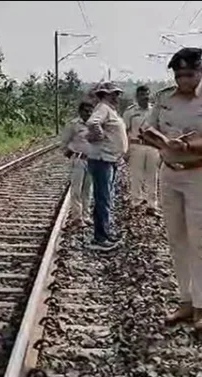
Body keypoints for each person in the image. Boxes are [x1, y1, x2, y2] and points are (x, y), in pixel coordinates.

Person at [143, 47, 202, 332]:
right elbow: (147, 129)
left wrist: (187, 146)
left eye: (190, 74)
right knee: (177, 239)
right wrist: (162, 140)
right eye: (179, 74)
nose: (184, 79)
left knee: (201, 240)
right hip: (170, 173)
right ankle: (185, 300)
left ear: (201, 72)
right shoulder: (163, 99)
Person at [85, 81, 128, 252]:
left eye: (117, 93)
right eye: (114, 94)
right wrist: (100, 135)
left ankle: (105, 232)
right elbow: (92, 122)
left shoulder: (109, 109)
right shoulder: (102, 107)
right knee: (103, 198)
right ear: (105, 94)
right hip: (102, 159)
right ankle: (100, 237)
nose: (117, 96)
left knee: (107, 197)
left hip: (109, 159)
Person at [123, 85, 161, 217]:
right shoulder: (130, 112)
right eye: (142, 95)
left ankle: (152, 204)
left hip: (152, 147)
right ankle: (136, 202)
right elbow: (125, 132)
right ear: (137, 96)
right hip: (136, 146)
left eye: (147, 94)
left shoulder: (155, 111)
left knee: (153, 176)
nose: (145, 97)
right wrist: (126, 150)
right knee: (136, 176)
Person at [60, 100, 94, 228]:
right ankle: (77, 217)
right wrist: (70, 154)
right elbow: (64, 142)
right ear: (80, 112)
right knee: (76, 190)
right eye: (86, 111)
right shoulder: (74, 125)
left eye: (91, 111)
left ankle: (86, 215)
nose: (88, 113)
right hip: (78, 160)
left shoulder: (94, 125)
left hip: (91, 160)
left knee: (87, 190)